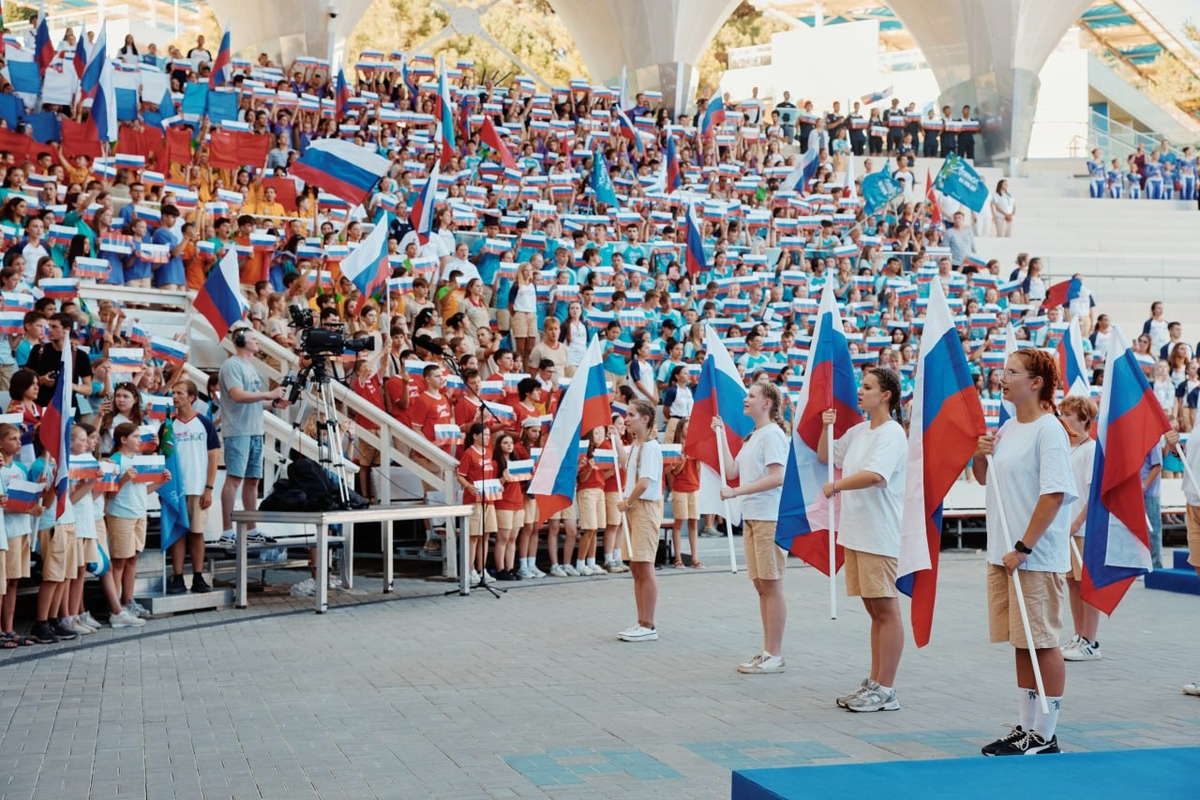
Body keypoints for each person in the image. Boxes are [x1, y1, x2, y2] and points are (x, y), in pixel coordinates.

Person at [974, 348, 1074, 756]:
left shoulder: (1049, 430)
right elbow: (987, 480)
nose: (1003, 377)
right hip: (1005, 554)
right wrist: (980, 455)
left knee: (1043, 642)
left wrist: (1023, 546)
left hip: (1033, 556)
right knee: (1022, 642)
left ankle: (1046, 734)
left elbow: (1054, 494)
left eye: (1012, 372)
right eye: (1004, 370)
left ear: (1035, 383)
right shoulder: (1009, 427)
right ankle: (1027, 726)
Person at [819, 368, 907, 711]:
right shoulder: (858, 431)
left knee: (886, 609)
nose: (860, 390)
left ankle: (887, 688)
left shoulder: (892, 433)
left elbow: (875, 475)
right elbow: (826, 456)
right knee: (874, 611)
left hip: (879, 532)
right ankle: (875, 680)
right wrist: (826, 426)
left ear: (885, 395)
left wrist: (837, 486)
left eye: (868, 387)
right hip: (857, 531)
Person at [713, 383, 789, 674]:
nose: (746, 399)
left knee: (771, 584)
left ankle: (775, 653)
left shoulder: (772, 434)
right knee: (761, 585)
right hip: (753, 516)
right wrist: (721, 435)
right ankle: (768, 650)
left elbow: (778, 476)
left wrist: (737, 492)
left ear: (767, 403)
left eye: (752, 396)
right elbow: (732, 470)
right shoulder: (754, 436)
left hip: (768, 516)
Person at [217, 326, 290, 545]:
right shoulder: (232, 365)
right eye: (253, 338)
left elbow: (255, 401)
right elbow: (237, 395)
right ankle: (227, 531)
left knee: (252, 481)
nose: (257, 342)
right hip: (238, 429)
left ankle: (252, 529)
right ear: (241, 341)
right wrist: (269, 394)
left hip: (255, 428)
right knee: (234, 479)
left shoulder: (249, 366)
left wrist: (274, 403)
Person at [613, 399, 663, 642]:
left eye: (631, 414)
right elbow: (627, 465)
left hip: (643, 507)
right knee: (635, 566)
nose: (627, 418)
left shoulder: (651, 447)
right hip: (633, 507)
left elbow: (644, 483)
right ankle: (641, 619)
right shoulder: (636, 444)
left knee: (644, 564)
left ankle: (648, 623)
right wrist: (616, 439)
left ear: (645, 419)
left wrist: (627, 501)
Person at [165, 380, 220, 595]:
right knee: (178, 533)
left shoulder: (205, 424)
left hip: (198, 487)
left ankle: (198, 576)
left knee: (197, 532)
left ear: (191, 397)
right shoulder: (168, 425)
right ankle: (178, 577)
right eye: (173, 393)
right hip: (176, 489)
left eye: (179, 393)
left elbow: (213, 457)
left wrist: (209, 488)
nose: (175, 397)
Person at [1057, 396, 1100, 662]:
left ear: (1085, 419)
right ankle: (1079, 634)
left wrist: (1077, 522)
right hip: (1066, 528)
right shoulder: (1066, 447)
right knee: (1072, 582)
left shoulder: (1090, 450)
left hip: (1081, 529)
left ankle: (1091, 640)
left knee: (1086, 583)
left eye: (1069, 415)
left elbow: (1093, 494)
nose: (1064, 419)